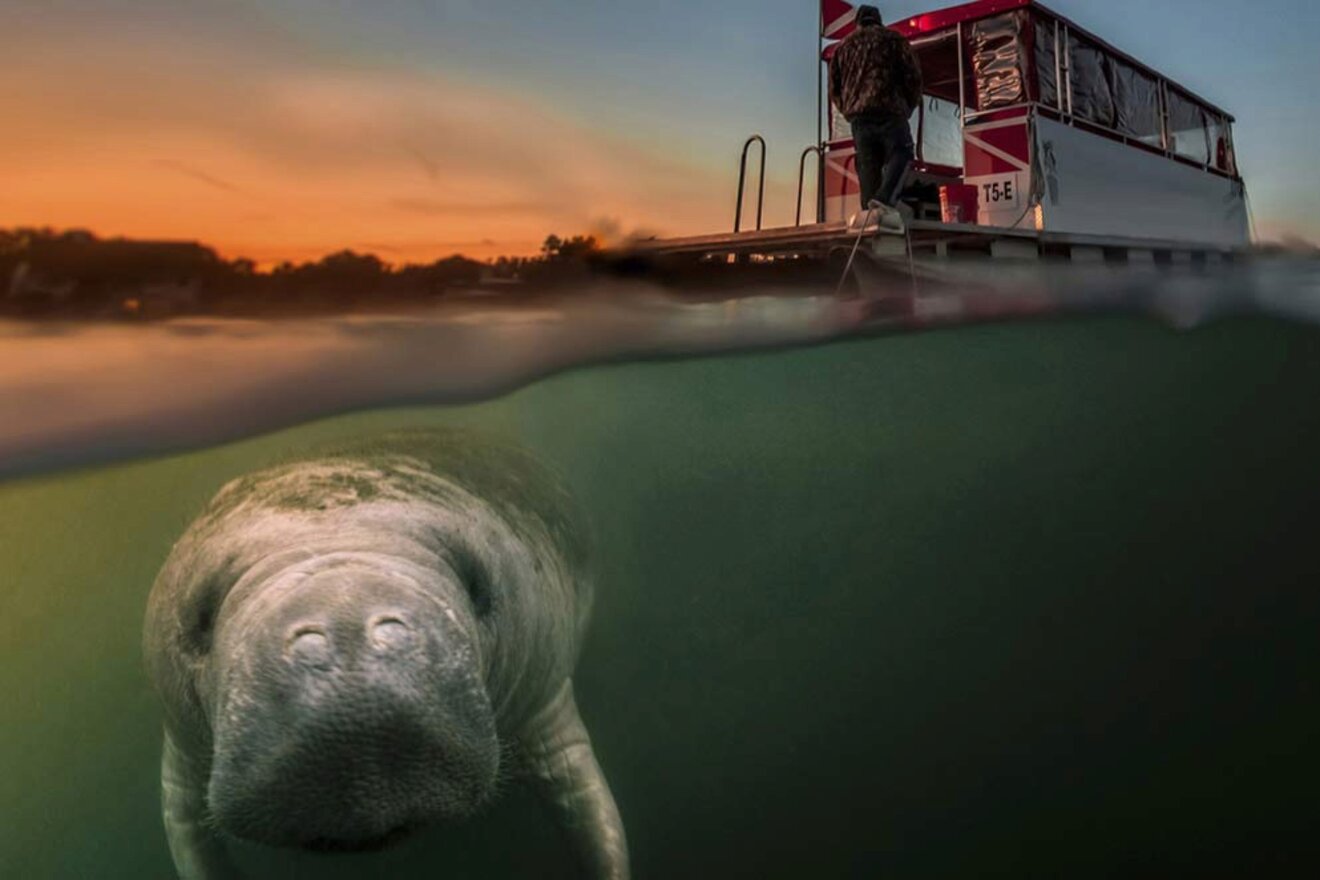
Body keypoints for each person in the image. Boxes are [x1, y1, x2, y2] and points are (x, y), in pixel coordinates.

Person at [829, 5, 923, 230]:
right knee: (902, 151)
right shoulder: (894, 40)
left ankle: (869, 220)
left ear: (858, 22)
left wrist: (848, 110)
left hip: (859, 118)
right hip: (890, 110)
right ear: (879, 20)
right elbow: (913, 77)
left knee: (867, 164)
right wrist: (908, 107)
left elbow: (834, 89)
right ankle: (884, 201)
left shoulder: (842, 48)